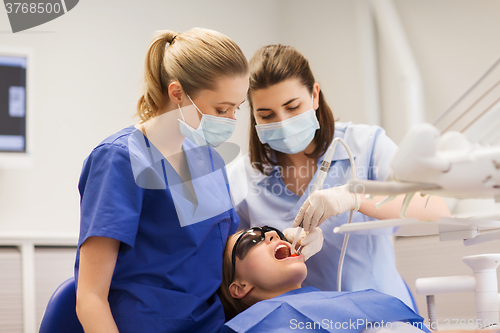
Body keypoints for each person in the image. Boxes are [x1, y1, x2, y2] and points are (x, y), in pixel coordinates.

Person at [228, 44, 451, 310]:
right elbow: (233, 264)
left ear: (315, 96)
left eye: (293, 107)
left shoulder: (365, 145)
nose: (283, 123)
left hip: (382, 316)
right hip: (307, 322)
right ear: (253, 116)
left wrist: (354, 197)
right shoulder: (242, 175)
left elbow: (436, 207)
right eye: (266, 115)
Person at [75, 28, 249, 333]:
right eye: (221, 109)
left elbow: (219, 253)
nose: (231, 121)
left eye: (237, 108)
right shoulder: (120, 159)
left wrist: (286, 239)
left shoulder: (210, 161)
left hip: (211, 323)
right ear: (177, 93)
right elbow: (90, 297)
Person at [218, 227, 431, 333]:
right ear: (239, 288)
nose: (273, 234)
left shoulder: (339, 303)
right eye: (251, 240)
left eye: (268, 229)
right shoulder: (256, 327)